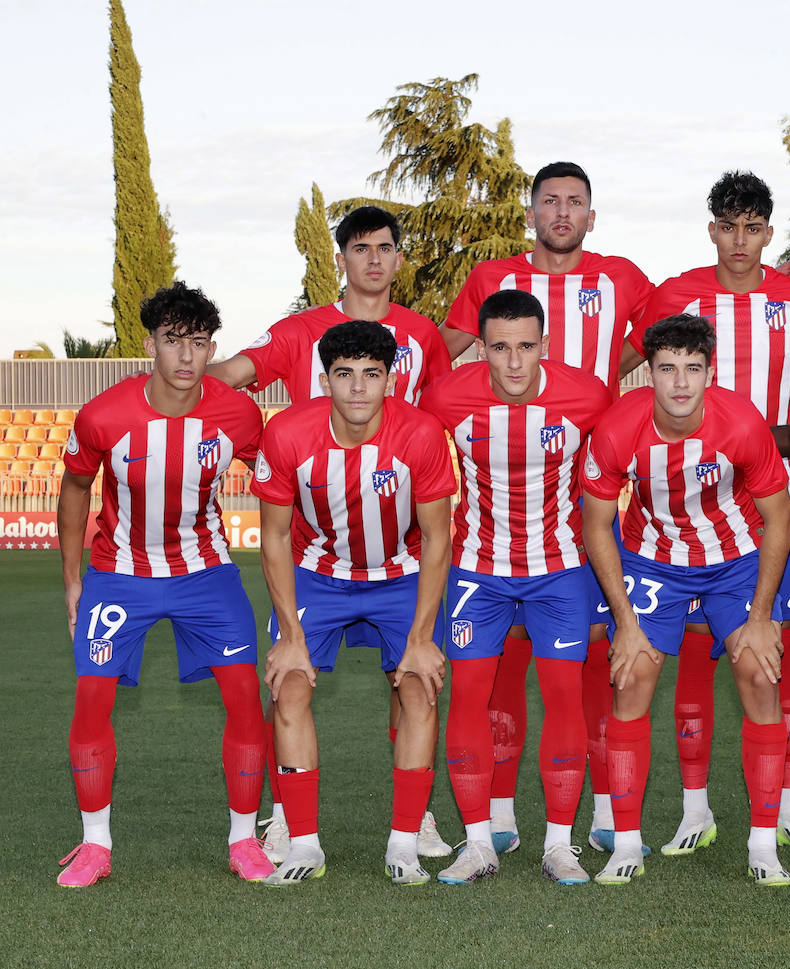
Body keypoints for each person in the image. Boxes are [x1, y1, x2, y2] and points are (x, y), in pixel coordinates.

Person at [209, 205, 454, 862]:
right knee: (286, 677)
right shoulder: (300, 330)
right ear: (339, 258)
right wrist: (229, 422)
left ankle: (416, 817)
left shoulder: (421, 336)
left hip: (397, 547)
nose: (373, 259)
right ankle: (292, 821)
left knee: (413, 684)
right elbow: (231, 375)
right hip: (317, 542)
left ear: (399, 258)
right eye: (359, 247)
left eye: (384, 247)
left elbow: (437, 414)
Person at [440, 162, 654, 855]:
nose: (562, 212)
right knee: (497, 672)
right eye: (550, 202)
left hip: (579, 512)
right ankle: (496, 815)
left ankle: (592, 810)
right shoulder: (489, 280)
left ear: (592, 215)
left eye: (575, 203)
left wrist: (604, 381)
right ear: (530, 214)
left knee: (591, 667)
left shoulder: (619, 277)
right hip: (490, 540)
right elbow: (432, 366)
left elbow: (665, 332)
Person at [626, 171, 790, 856]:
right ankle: (694, 809)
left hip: (774, 498)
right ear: (711, 228)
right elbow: (624, 355)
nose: (740, 240)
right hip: (686, 505)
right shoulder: (676, 294)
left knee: (778, 657)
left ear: (769, 233)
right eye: (728, 225)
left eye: (753, 227)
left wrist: (787, 401)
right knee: (689, 656)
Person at [56, 282, 271, 886]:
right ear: (150, 343)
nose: (185, 356)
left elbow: (280, 477)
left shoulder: (237, 413)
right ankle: (95, 844)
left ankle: (242, 840)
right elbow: (74, 490)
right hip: (118, 577)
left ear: (211, 349)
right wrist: (73, 580)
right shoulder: (104, 414)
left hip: (206, 574)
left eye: (198, 344)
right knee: (92, 698)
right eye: (172, 341)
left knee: (244, 699)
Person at [580, 315, 790, 886]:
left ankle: (762, 844)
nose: (680, 383)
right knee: (631, 676)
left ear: (710, 371)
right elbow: (596, 525)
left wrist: (759, 617)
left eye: (693, 369)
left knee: (758, 670)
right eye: (668, 369)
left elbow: (780, 520)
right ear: (648, 372)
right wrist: (624, 623)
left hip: (734, 558)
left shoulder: (741, 424)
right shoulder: (617, 428)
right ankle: (626, 844)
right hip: (653, 559)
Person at [418, 290, 612, 886]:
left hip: (559, 571)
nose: (514, 363)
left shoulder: (586, 394)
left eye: (526, 347)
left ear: (545, 346)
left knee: (564, 698)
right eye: (500, 348)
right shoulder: (448, 395)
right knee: (469, 698)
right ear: (481, 349)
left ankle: (561, 845)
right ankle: (478, 844)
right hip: (477, 571)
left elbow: (623, 454)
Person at [252, 321, 456, 886]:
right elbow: (272, 537)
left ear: (390, 379)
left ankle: (403, 844)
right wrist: (291, 636)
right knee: (288, 687)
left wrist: (420, 639)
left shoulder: (420, 434)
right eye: (345, 375)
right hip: (318, 573)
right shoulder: (289, 433)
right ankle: (304, 844)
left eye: (372, 375)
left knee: (418, 688)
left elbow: (438, 536)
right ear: (325, 380)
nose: (359, 388)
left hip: (402, 574)